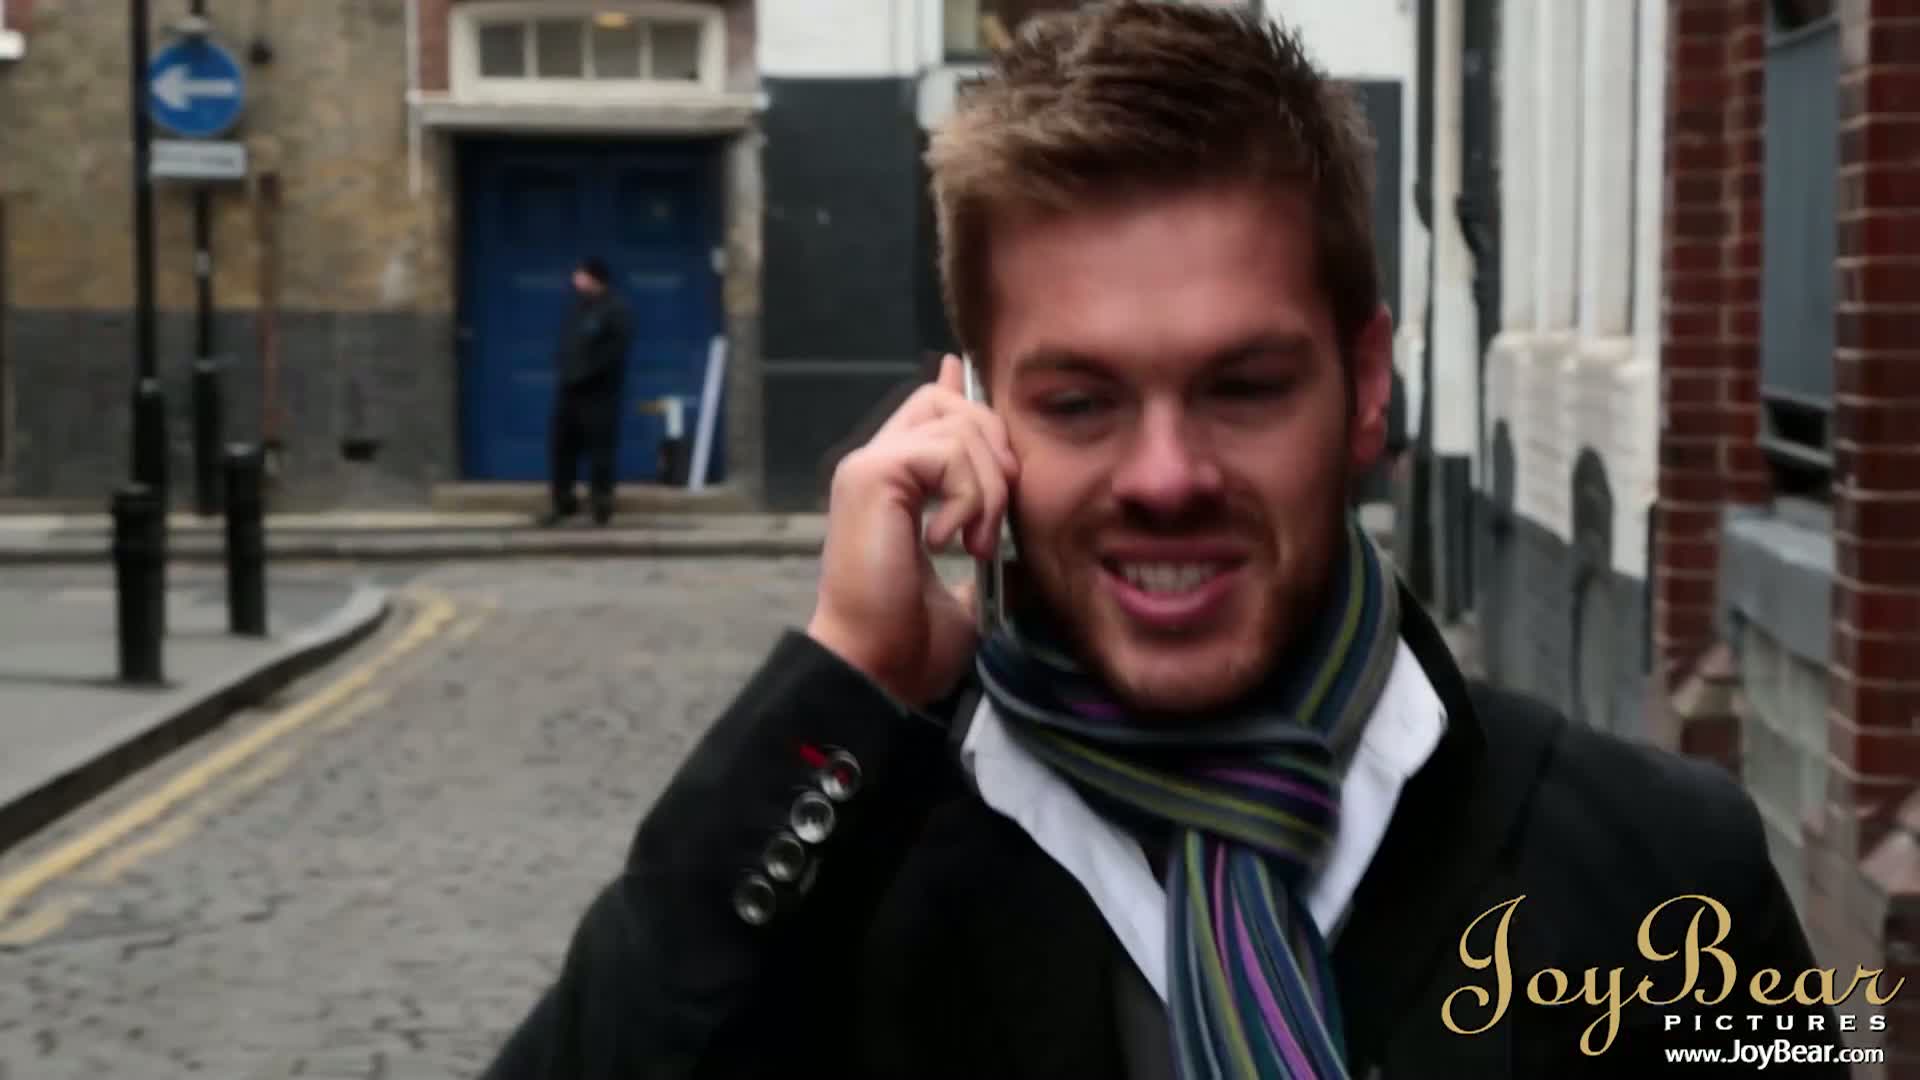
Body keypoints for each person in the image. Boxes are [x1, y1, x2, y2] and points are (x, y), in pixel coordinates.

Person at [483, 5, 1845, 1077]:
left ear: (1368, 385)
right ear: (973, 411)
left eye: (1244, 387)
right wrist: (844, 677)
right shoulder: (839, 891)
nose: (1166, 478)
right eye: (1080, 402)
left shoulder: (1675, 874)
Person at [541, 256, 633, 528]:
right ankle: (563, 503)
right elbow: (569, 344)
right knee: (562, 448)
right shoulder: (578, 307)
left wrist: (586, 373)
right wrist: (565, 369)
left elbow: (615, 350)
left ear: (595, 278)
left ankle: (601, 505)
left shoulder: (616, 309)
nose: (575, 279)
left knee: (600, 450)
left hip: (599, 393)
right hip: (569, 390)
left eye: (580, 275)